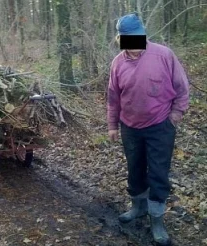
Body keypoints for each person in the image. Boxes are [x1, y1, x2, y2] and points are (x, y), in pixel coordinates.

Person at [107, 13, 189, 246]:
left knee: (158, 173)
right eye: (127, 39)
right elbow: (113, 98)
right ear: (121, 39)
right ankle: (138, 207)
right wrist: (113, 125)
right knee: (135, 170)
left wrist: (175, 116)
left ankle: (157, 219)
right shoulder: (118, 63)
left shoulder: (163, 55)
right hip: (130, 127)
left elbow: (182, 89)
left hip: (160, 126)